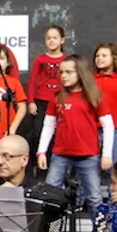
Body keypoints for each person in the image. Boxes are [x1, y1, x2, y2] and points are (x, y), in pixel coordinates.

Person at [37, 54, 114, 215]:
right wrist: (41, 151)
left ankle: (99, 231)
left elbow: (108, 126)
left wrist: (106, 154)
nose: (63, 76)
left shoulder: (95, 97)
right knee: (50, 195)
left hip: (88, 155)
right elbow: (49, 125)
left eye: (68, 72)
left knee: (94, 198)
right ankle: (49, 231)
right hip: (60, 155)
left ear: (80, 73)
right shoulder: (57, 97)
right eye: (61, 72)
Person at [28, 26, 68, 169]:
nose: (51, 41)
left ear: (62, 40)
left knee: (59, 135)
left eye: (55, 38)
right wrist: (31, 101)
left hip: (60, 102)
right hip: (42, 102)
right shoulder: (40, 59)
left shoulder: (66, 60)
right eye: (48, 38)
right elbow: (32, 81)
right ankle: (39, 166)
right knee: (38, 134)